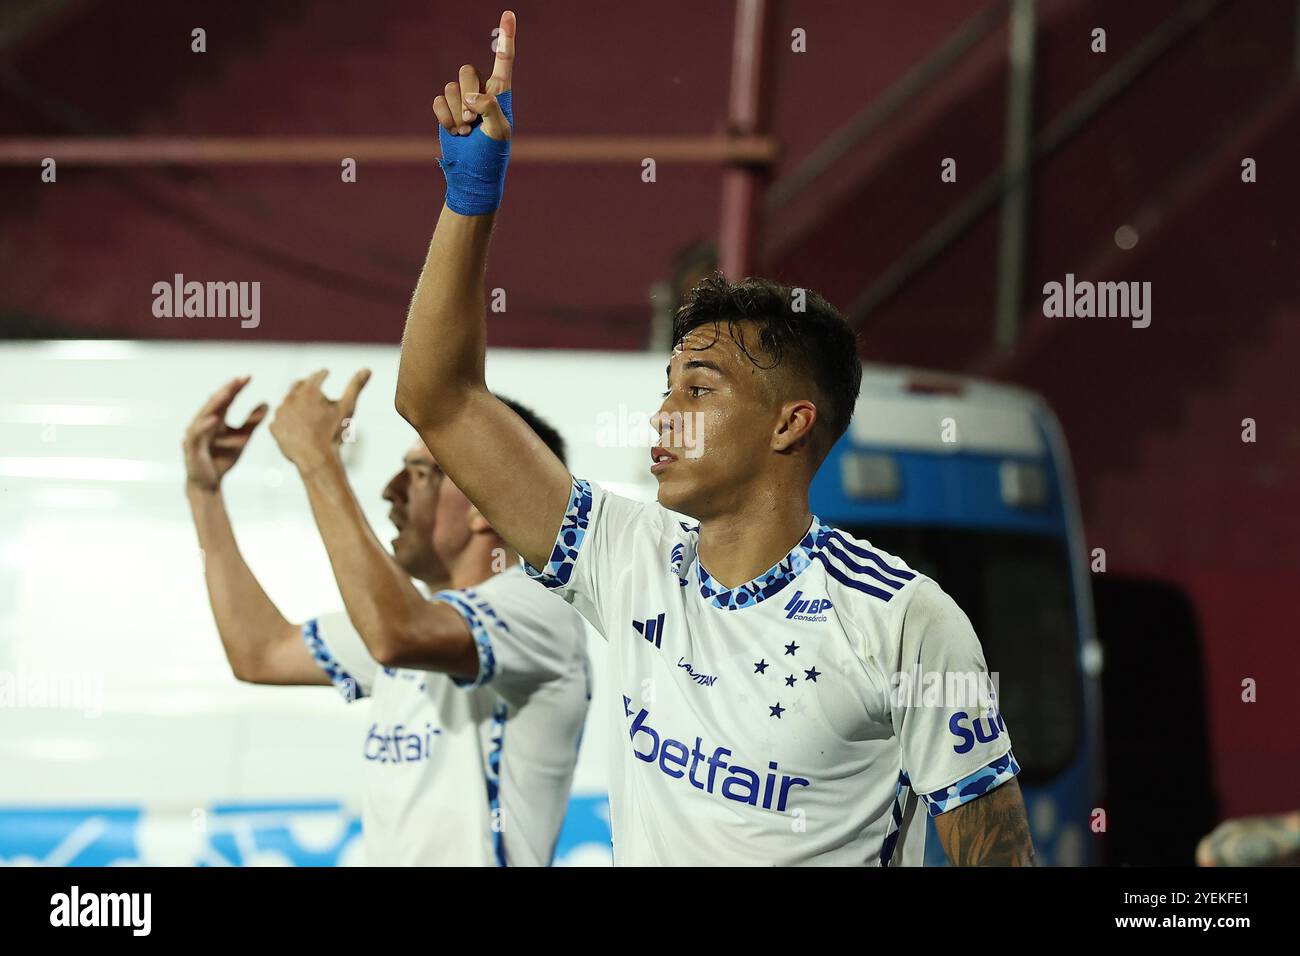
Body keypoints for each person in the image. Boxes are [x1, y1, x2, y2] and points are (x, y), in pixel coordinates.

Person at [394, 10, 1033, 865]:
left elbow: (999, 857)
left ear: (789, 421)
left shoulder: (903, 621)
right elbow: (438, 401)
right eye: (667, 389)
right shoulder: (627, 559)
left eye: (697, 388)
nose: (663, 416)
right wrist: (470, 198)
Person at [183, 370, 589, 866]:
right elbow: (260, 653)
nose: (390, 492)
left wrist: (318, 460)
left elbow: (395, 635)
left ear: (489, 501)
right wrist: (204, 493)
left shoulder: (536, 608)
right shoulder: (416, 620)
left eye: (420, 474)